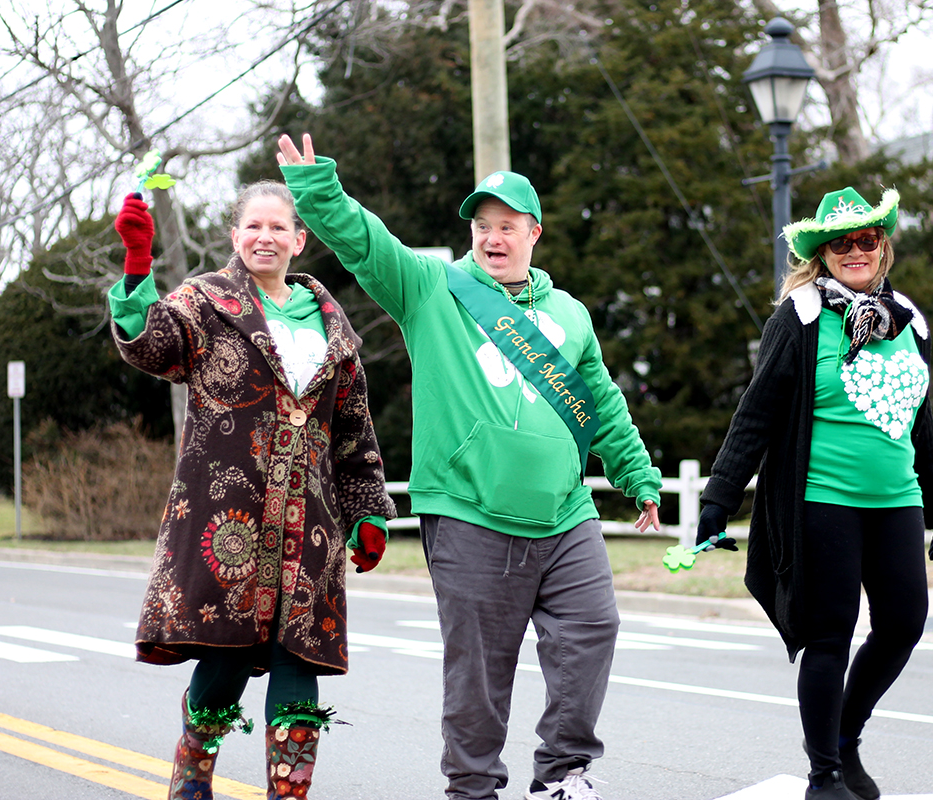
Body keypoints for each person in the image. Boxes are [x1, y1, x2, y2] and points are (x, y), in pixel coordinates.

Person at [276, 133, 662, 800]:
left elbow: (601, 402)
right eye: (482, 226)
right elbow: (366, 243)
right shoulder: (432, 289)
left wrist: (639, 478)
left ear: (534, 232)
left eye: (506, 226)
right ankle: (474, 789)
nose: (492, 237)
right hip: (469, 510)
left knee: (594, 627)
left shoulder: (569, 314)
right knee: (480, 672)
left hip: (565, 513)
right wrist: (318, 191)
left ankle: (563, 775)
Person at [109, 181, 396, 800]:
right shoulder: (204, 302)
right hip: (225, 516)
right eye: (252, 227)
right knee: (228, 652)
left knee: (302, 654)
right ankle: (193, 768)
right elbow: (153, 345)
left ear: (300, 239)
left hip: (310, 525)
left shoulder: (333, 326)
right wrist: (138, 265)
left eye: (278, 227)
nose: (265, 237)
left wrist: (368, 508)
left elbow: (351, 428)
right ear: (236, 236)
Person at [695, 187, 933, 800]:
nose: (856, 251)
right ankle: (824, 776)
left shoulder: (908, 320)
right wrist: (718, 499)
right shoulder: (802, 316)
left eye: (867, 240)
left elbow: (919, 420)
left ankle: (844, 738)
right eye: (842, 243)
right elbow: (755, 413)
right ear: (824, 254)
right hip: (822, 501)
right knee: (830, 633)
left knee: (902, 625)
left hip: (896, 500)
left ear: (883, 247)